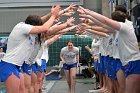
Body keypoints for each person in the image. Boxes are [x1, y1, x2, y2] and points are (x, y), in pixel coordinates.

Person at [77, 6, 140, 93]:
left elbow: (105, 21)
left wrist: (88, 12)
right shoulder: (117, 30)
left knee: (125, 89)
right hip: (127, 62)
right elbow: (103, 24)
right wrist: (89, 16)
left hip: (133, 62)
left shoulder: (126, 27)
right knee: (120, 86)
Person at [0, 5, 61, 93]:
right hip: (9, 64)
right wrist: (53, 15)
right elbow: (44, 27)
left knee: (22, 90)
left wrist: (51, 14)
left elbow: (40, 22)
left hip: (18, 65)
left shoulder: (27, 27)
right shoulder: (21, 27)